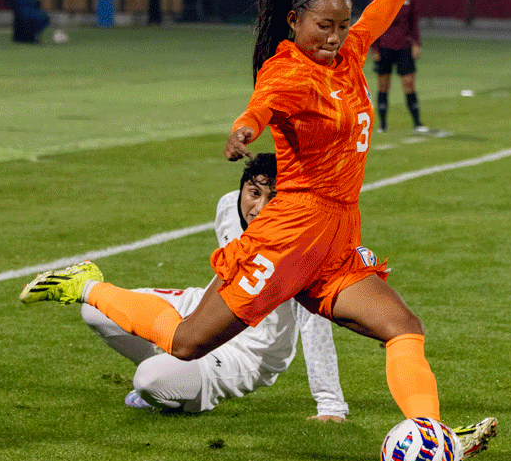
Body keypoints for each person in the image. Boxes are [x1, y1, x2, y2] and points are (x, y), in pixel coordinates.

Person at [20, 0, 498, 459]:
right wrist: (245, 130)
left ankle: (432, 437)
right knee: (186, 343)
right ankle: (87, 286)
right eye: (324, 26)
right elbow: (261, 104)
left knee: (403, 327)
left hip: (337, 235)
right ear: (294, 22)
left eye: (341, 25)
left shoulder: (348, 56)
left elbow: (376, 17)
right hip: (291, 234)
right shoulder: (288, 71)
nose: (335, 36)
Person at [44, 153, 350, 418]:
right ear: (242, 188)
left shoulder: (299, 247)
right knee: (96, 310)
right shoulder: (228, 207)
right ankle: (179, 369)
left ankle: (176, 382)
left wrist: (331, 405)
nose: (258, 207)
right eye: (254, 193)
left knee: (149, 381)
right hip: (204, 307)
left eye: (273, 198)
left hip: (249, 353)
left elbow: (313, 325)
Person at [370, 0, 428, 133]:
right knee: (383, 85)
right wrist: (374, 48)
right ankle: (382, 125)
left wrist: (416, 43)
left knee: (409, 83)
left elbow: (413, 24)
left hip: (404, 46)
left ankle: (417, 123)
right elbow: (372, 24)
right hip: (384, 46)